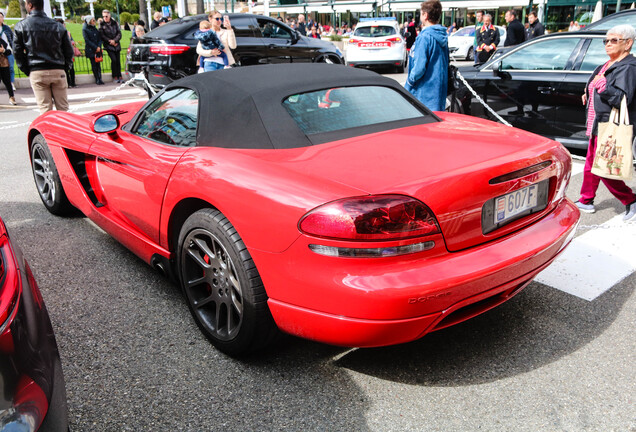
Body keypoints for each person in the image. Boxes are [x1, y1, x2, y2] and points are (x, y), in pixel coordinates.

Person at [576, 24, 636, 220]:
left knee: (605, 168)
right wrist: (588, 91)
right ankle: (586, 200)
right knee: (591, 164)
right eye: (606, 41)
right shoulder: (609, 63)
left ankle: (631, 200)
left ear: (628, 44)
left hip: (611, 125)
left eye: (614, 40)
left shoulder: (628, 67)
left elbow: (622, 99)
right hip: (598, 123)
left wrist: (602, 88)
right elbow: (596, 80)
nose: (608, 44)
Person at [13, 0, 73, 113]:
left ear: (30, 5)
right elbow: (68, 50)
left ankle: (48, 131)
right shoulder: (57, 25)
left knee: (45, 110)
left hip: (37, 70)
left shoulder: (22, 26)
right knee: (63, 109)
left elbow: (17, 52)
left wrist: (27, 69)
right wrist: (65, 67)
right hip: (57, 68)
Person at [404, 0, 448, 112]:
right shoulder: (442, 35)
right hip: (438, 91)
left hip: (424, 92)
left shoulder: (424, 37)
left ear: (425, 15)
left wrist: (409, 83)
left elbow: (419, 68)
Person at [100, 10, 122, 83]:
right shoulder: (102, 24)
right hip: (108, 45)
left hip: (116, 44)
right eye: (103, 16)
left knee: (118, 61)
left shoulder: (114, 23)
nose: (105, 18)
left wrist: (115, 41)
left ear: (109, 16)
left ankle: (119, 75)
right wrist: (110, 41)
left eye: (106, 16)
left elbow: (119, 33)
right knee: (114, 60)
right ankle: (115, 76)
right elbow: (102, 35)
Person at [83, 16, 104, 85]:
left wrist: (99, 46)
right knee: (94, 65)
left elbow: (99, 38)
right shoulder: (85, 29)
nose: (94, 22)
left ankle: (100, 78)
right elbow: (87, 40)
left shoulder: (95, 29)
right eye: (93, 20)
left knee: (98, 64)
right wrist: (95, 47)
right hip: (91, 49)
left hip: (97, 49)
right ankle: (97, 78)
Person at [56, 18, 76, 88]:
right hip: (62, 53)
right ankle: (68, 82)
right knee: (65, 70)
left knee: (71, 68)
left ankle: (73, 82)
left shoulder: (67, 32)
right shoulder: (56, 33)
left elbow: (71, 40)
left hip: (68, 53)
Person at [0, 11, 15, 93]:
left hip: (7, 50)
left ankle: (11, 83)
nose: (0, 18)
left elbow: (12, 38)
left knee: (11, 67)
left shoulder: (6, 28)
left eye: (1, 17)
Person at [0, 34, 16, 105]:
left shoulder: (1, 41)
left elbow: (9, 51)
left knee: (7, 81)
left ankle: (11, 97)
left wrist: (3, 50)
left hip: (3, 64)